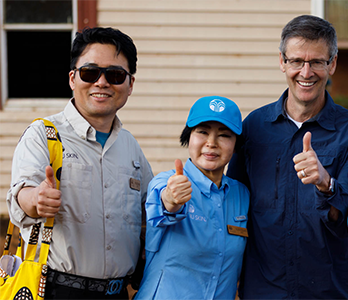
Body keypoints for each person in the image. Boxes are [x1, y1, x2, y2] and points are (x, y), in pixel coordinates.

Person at [226, 15, 348, 299]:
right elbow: (233, 203)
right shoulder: (253, 128)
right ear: (282, 61)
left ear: (332, 64)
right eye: (296, 61)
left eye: (317, 61)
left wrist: (326, 183)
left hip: (328, 292)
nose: (306, 72)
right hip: (263, 290)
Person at [6, 27, 153, 299]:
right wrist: (36, 198)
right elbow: (21, 194)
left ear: (130, 85)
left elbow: (150, 214)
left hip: (118, 293)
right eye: (90, 72)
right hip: (55, 291)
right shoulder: (43, 134)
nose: (102, 82)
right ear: (73, 78)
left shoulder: (130, 147)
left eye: (115, 75)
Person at [134, 96, 249, 300]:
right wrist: (171, 199)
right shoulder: (167, 181)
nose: (211, 143)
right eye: (202, 132)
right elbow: (165, 204)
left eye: (224, 135)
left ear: (235, 144)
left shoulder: (242, 195)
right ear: (188, 136)